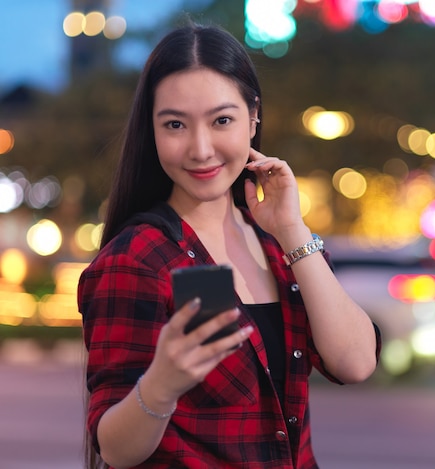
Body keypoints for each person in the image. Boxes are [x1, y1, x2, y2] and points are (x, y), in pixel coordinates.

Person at [77, 22, 381, 469]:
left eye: (222, 120)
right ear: (152, 130)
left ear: (253, 116)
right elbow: (116, 449)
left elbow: (355, 363)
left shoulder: (277, 243)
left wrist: (292, 228)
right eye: (175, 124)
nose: (201, 149)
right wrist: (162, 383)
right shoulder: (138, 257)